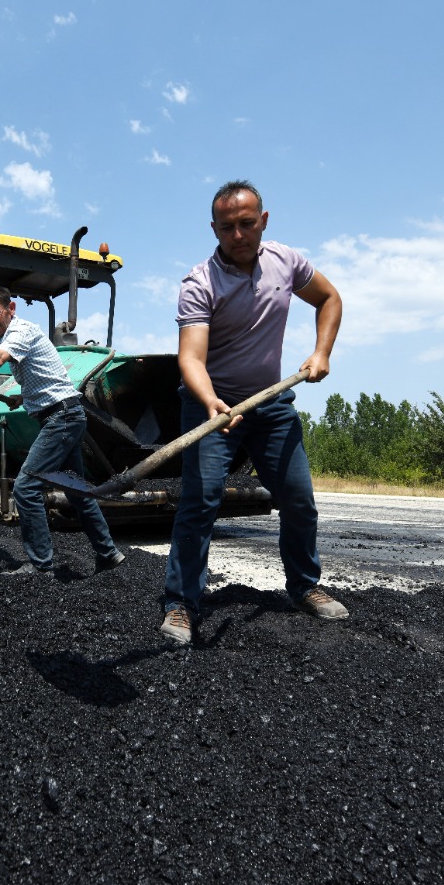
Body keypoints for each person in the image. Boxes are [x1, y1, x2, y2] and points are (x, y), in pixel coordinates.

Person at [159, 180, 346, 645]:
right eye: (227, 228)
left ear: (263, 220)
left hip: (272, 402)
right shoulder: (200, 282)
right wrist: (210, 403)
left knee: (298, 499)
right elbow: (190, 359)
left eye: (246, 224)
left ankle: (305, 587)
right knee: (201, 502)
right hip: (212, 406)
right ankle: (181, 601)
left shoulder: (287, 261)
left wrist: (321, 352)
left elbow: (329, 298)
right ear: (214, 229)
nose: (238, 235)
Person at [0, 286, 125, 576]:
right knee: (76, 491)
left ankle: (39, 565)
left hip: (61, 417)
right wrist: (24, 397)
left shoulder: (20, 332)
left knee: (26, 488)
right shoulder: (18, 335)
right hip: (64, 414)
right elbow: (47, 377)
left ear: (11, 309)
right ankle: (109, 554)